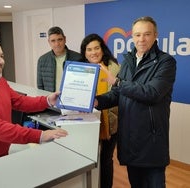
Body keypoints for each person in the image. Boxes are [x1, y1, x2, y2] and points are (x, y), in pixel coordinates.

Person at [94, 16, 176, 188]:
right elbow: (117, 94)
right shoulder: (128, 61)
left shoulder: (166, 62)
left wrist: (116, 81)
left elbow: (152, 93)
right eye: (137, 35)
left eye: (146, 34)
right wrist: (95, 102)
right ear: (132, 37)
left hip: (151, 141)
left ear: (155, 35)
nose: (141, 39)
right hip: (130, 139)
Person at [80, 33, 120, 188]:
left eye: (96, 48)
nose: (93, 52)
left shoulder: (115, 69)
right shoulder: (80, 69)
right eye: (89, 49)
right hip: (87, 122)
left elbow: (119, 96)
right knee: (89, 159)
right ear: (85, 52)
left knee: (106, 160)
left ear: (102, 49)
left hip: (111, 123)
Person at [37, 26, 81, 92]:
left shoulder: (78, 58)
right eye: (53, 41)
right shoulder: (42, 60)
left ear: (65, 39)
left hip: (71, 100)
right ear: (49, 42)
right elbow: (40, 87)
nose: (57, 44)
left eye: (60, 39)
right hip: (51, 100)